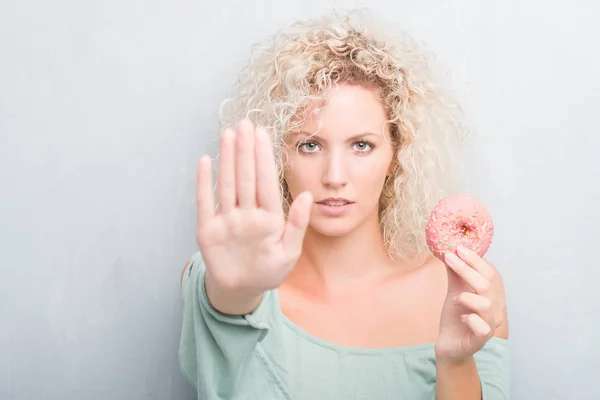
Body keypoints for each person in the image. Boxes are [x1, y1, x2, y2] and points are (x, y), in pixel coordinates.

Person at [178, 9, 509, 400]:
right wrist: (235, 295)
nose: (335, 175)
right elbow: (229, 305)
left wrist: (455, 362)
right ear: (278, 156)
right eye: (310, 145)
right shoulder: (230, 274)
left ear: (396, 155)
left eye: (362, 145)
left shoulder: (461, 290)